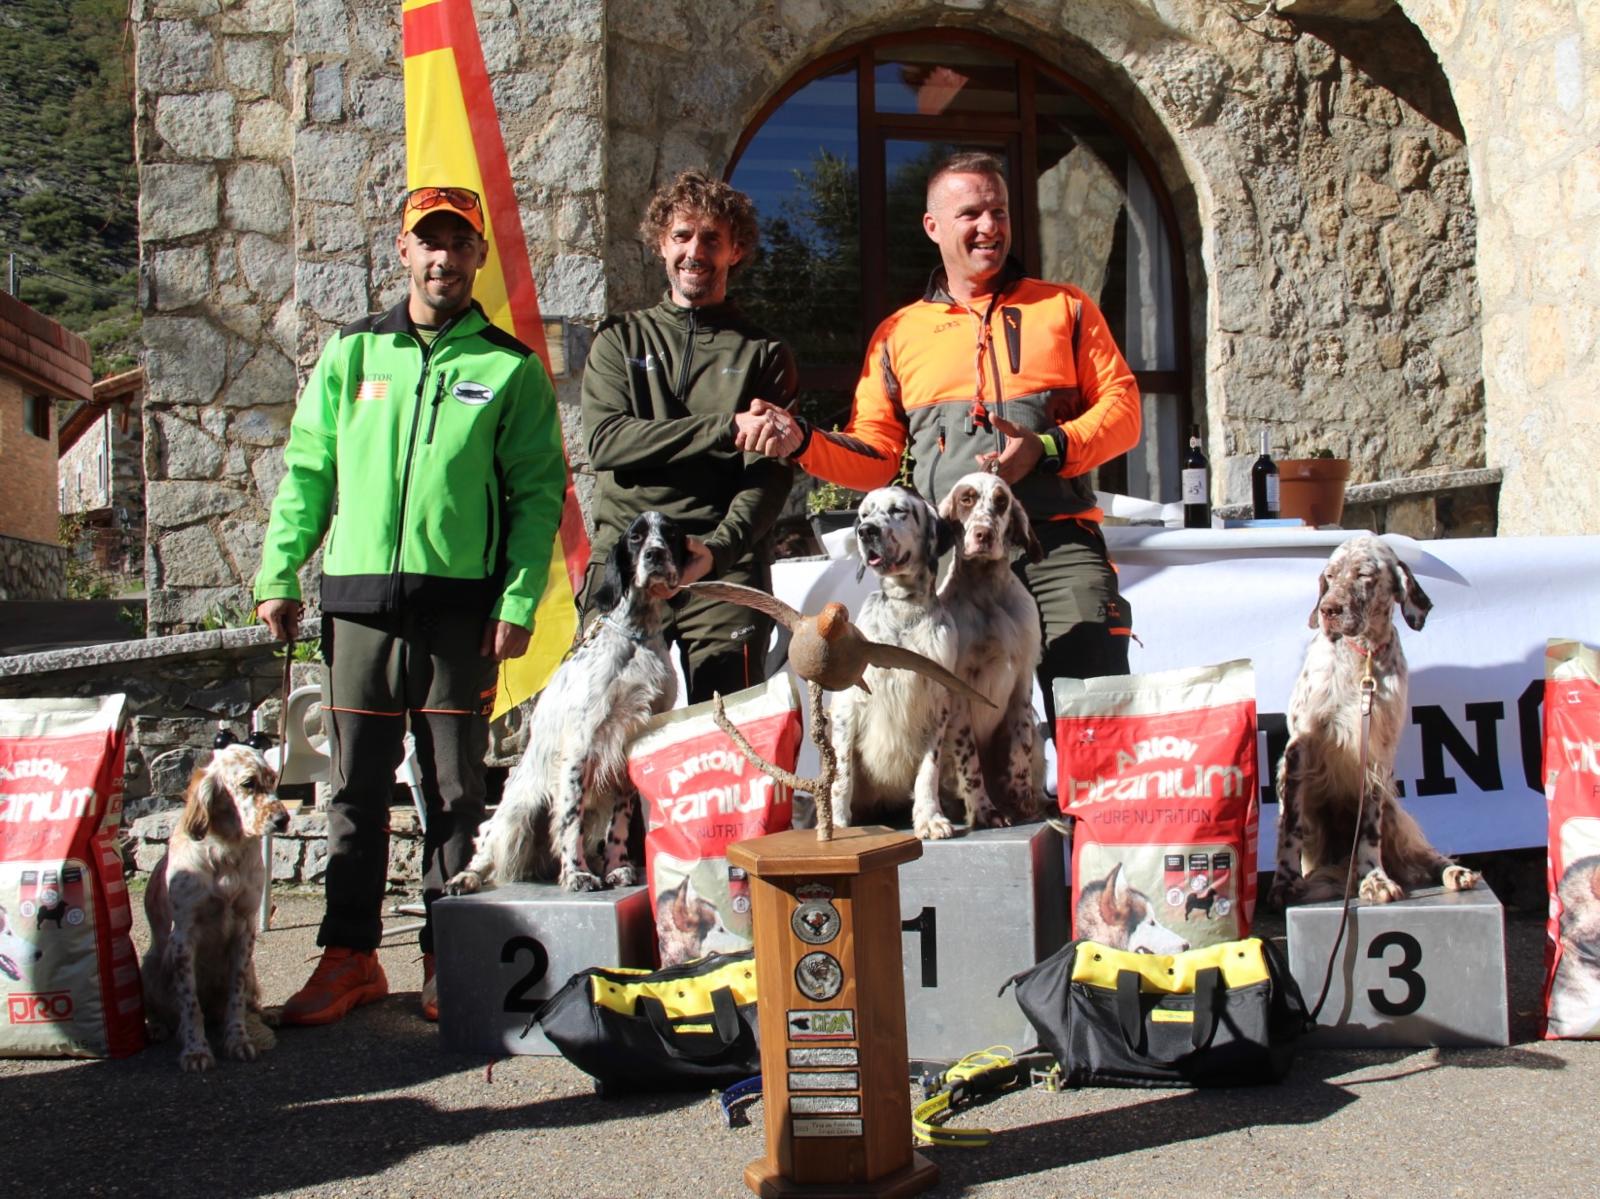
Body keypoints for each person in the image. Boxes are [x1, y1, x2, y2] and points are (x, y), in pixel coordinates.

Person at [253, 185, 567, 1025]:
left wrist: (519, 597)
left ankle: (449, 953)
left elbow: (539, 494)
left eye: (459, 244)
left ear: (477, 258)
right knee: (353, 786)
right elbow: (309, 470)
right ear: (403, 250)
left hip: (461, 611)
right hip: (356, 603)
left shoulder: (508, 366)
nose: (443, 258)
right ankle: (349, 956)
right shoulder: (353, 354)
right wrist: (279, 572)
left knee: (455, 788)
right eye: (429, 242)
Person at [739, 151, 1140, 714]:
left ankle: (1090, 802)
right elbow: (876, 456)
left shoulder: (1065, 308)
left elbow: (1123, 410)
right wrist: (805, 442)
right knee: (939, 716)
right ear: (932, 226)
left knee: (1091, 690)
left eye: (998, 211)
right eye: (971, 213)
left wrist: (1048, 448)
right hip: (948, 554)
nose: (989, 227)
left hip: (1053, 539)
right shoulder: (899, 333)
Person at [580, 169, 796, 701]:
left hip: (718, 568)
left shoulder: (763, 354)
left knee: (725, 747)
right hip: (624, 562)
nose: (694, 251)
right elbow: (608, 441)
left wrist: (718, 552)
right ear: (661, 243)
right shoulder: (618, 340)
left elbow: (767, 479)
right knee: (605, 747)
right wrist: (726, 428)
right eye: (681, 236)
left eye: (711, 239)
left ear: (735, 250)